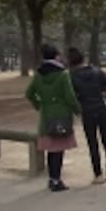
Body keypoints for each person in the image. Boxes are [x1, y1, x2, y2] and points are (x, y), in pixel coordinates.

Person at [25, 43, 81, 192]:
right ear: (56, 56)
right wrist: (78, 110)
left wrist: (39, 105)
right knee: (59, 149)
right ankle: (56, 180)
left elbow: (29, 93)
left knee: (51, 149)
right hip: (62, 115)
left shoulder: (38, 75)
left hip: (46, 116)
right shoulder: (63, 74)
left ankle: (52, 179)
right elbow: (70, 97)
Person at [68, 47, 106, 185]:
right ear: (83, 59)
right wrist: (101, 87)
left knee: (92, 143)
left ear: (71, 63)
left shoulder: (71, 76)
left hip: (87, 111)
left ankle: (98, 174)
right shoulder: (96, 71)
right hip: (102, 109)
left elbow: (72, 95)